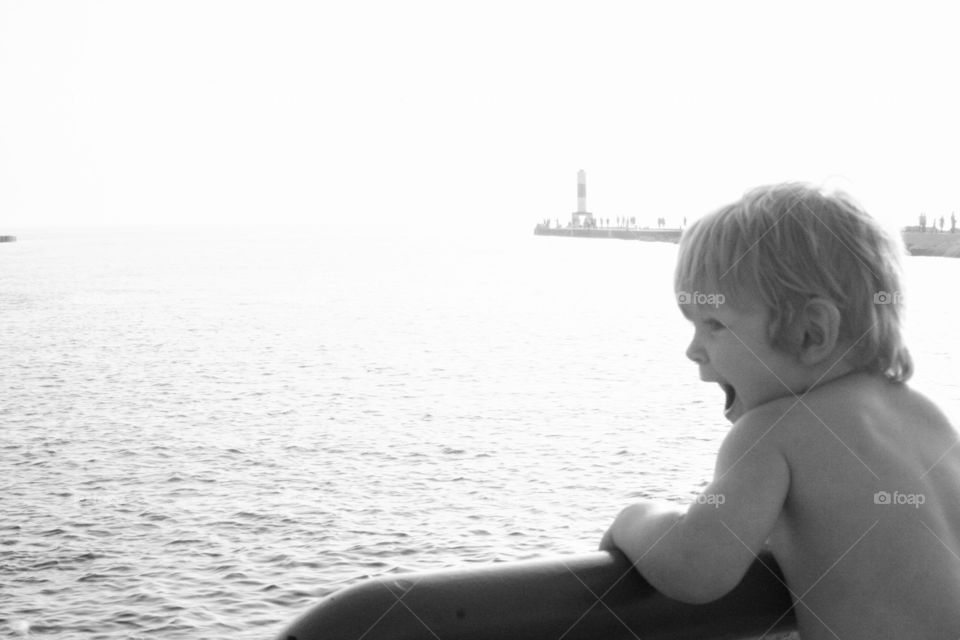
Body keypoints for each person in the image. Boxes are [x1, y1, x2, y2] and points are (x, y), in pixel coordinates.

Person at [600, 183, 960, 639]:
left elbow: (696, 566)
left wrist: (634, 518)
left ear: (811, 333)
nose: (693, 350)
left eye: (714, 325)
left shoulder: (774, 432)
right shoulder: (926, 417)